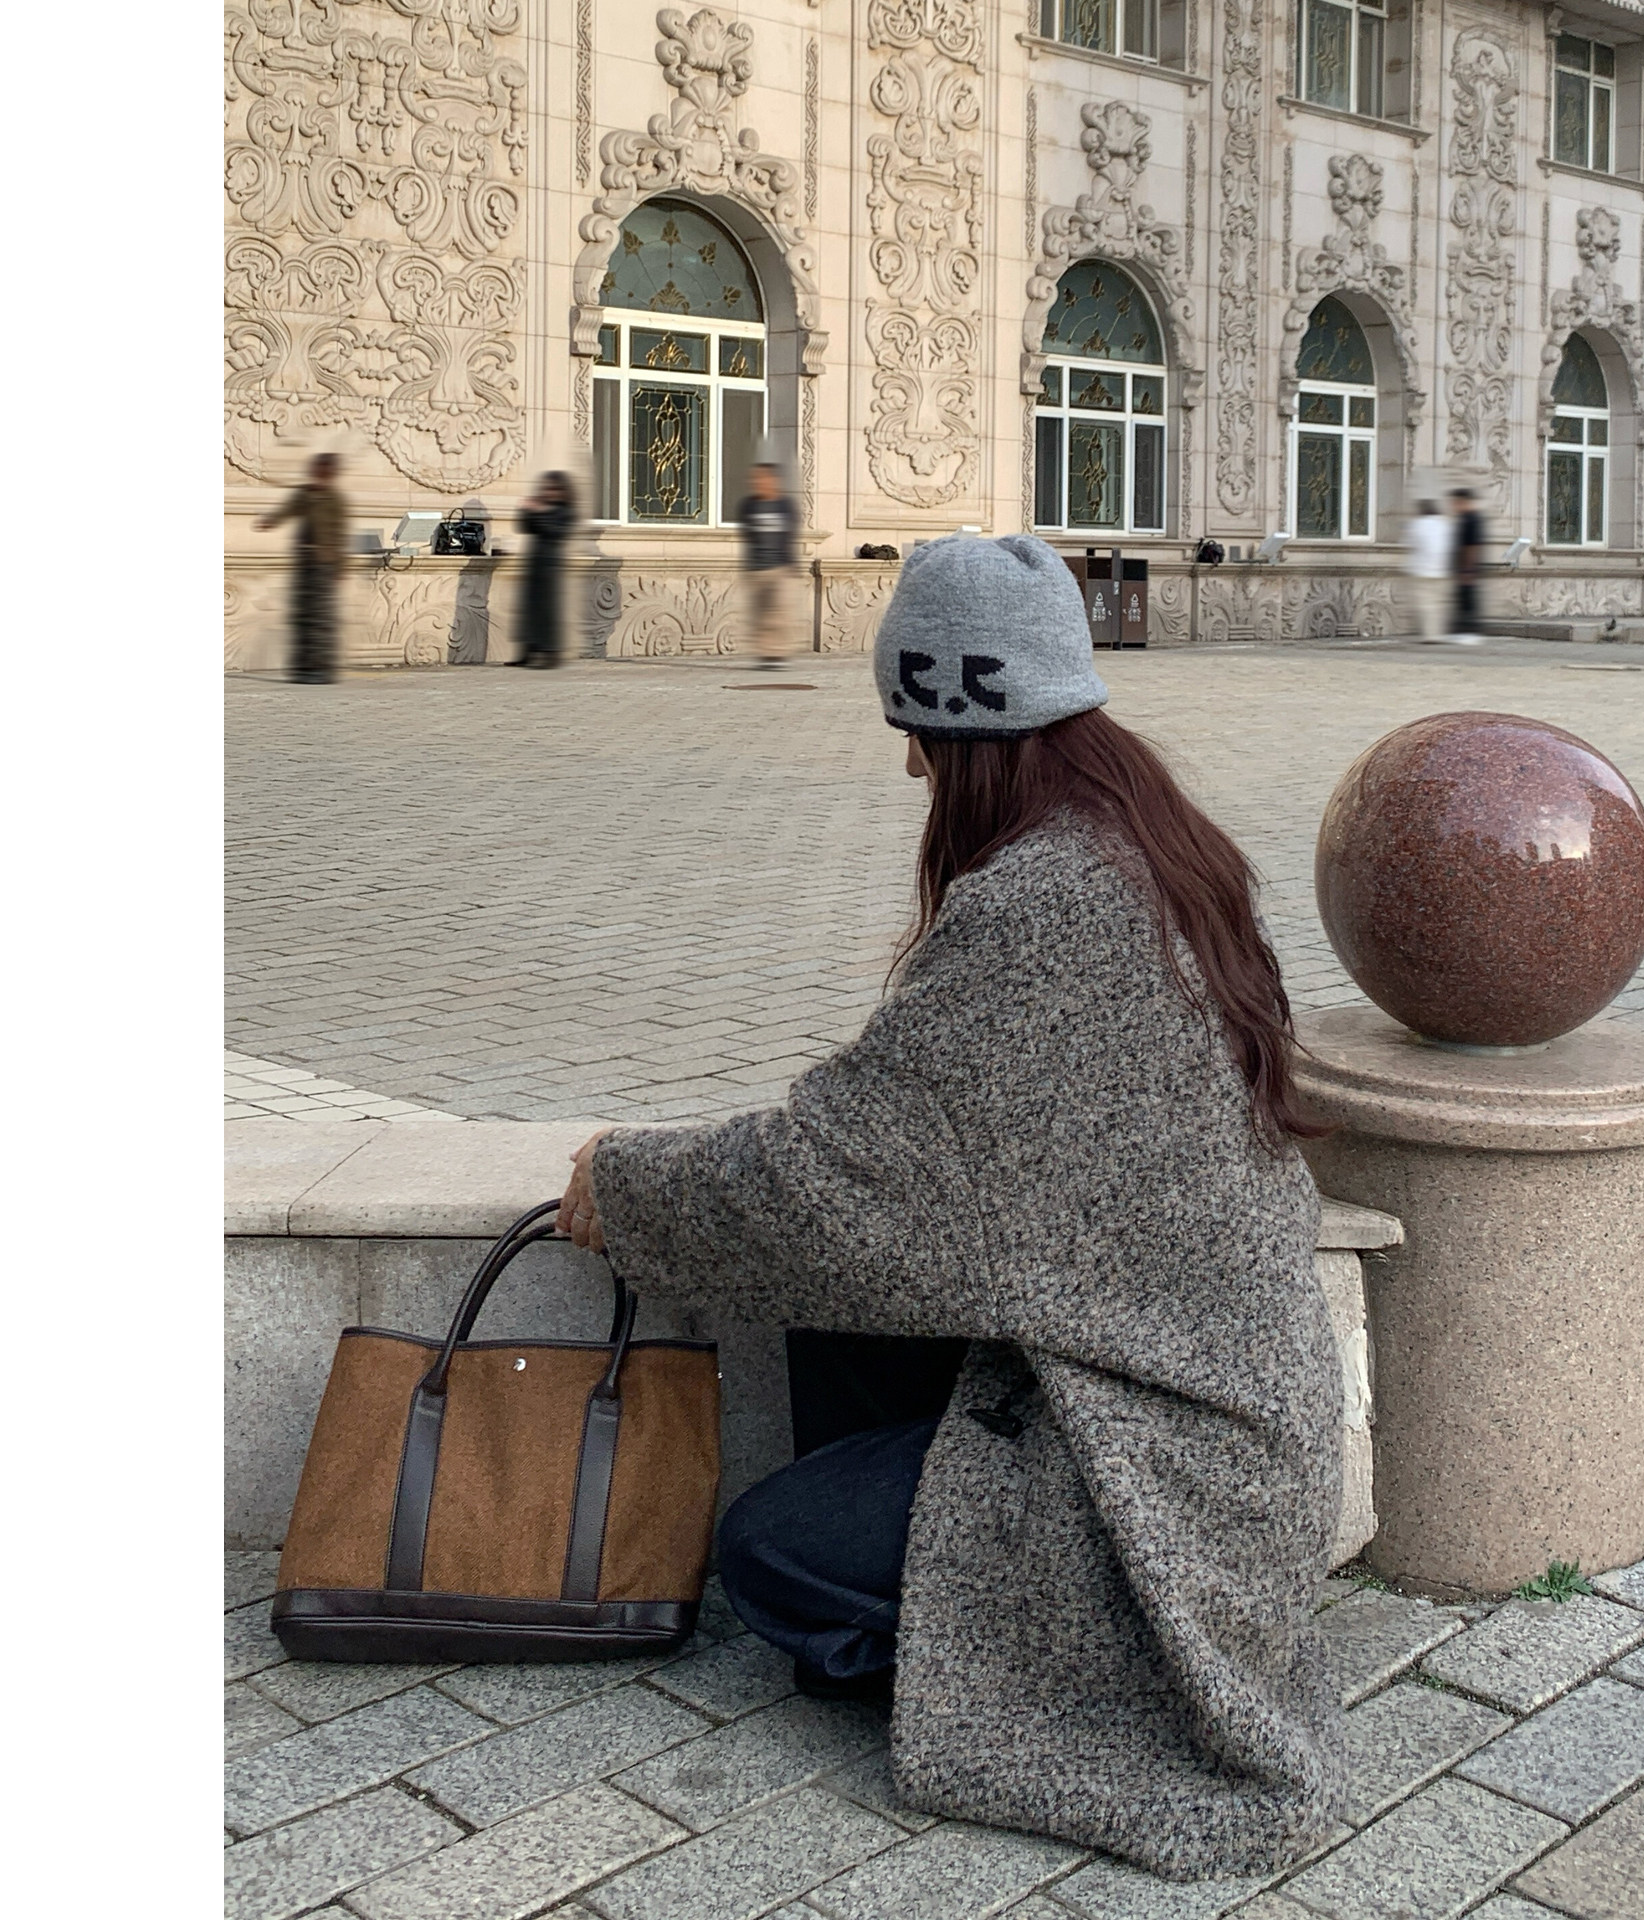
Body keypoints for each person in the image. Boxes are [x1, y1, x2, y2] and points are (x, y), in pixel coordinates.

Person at [557, 535, 1348, 1880]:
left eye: (915, 735)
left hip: (1168, 1479)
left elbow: (827, 1181)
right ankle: (922, 1556)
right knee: (835, 1284)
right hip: (1211, 1407)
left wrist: (618, 1183)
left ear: (964, 724)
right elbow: (877, 1166)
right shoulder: (1142, 842)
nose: (911, 769)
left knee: (766, 1557)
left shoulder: (1048, 907)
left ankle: (977, 1652)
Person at [254, 452, 349, 683]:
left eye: (323, 470)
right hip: (305, 560)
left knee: (321, 617)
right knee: (302, 614)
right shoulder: (305, 494)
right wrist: (269, 521)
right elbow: (287, 510)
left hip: (324, 562)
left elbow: (340, 534)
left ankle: (321, 668)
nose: (318, 474)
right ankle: (303, 667)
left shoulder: (335, 499)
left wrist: (340, 566)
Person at [734, 461, 800, 669]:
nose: (758, 482)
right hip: (755, 568)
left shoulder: (785, 505)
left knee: (778, 610)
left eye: (762, 478)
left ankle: (777, 653)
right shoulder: (748, 505)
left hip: (780, 567)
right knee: (758, 613)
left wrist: (792, 564)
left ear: (774, 480)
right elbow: (745, 533)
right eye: (755, 479)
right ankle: (765, 654)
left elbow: (791, 534)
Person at [513, 471, 575, 668]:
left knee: (548, 612)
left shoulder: (565, 511)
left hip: (551, 564)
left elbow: (555, 532)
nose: (549, 492)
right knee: (529, 609)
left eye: (553, 488)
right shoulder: (542, 506)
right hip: (535, 562)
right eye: (546, 488)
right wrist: (525, 511)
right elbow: (524, 527)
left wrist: (540, 512)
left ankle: (551, 654)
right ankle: (527, 652)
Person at [1404, 497, 1453, 644]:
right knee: (1440, 604)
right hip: (1443, 570)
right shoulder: (1445, 525)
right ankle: (1439, 633)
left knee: (1426, 604)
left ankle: (1430, 634)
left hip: (1423, 571)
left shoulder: (1417, 524)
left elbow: (1410, 544)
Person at [1449, 486, 1486, 645]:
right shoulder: (1465, 518)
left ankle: (1469, 632)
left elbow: (1471, 546)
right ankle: (1465, 631)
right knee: (1464, 599)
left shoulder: (1471, 519)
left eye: (1455, 502)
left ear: (1463, 501)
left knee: (1467, 600)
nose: (1453, 506)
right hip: (1464, 568)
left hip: (1467, 568)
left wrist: (1467, 570)